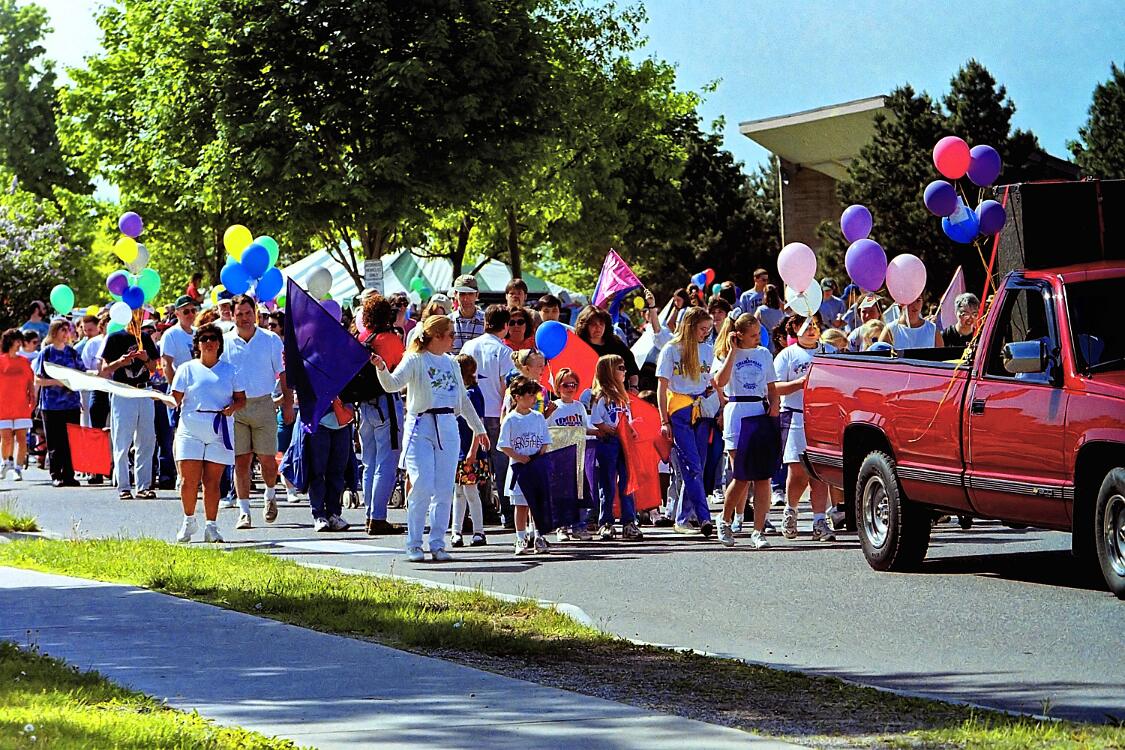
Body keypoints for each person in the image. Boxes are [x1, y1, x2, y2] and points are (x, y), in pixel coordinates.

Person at [371, 315, 488, 563]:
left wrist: (479, 428)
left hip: (448, 425)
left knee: (444, 489)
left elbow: (463, 400)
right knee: (422, 484)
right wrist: (382, 368)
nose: (453, 340)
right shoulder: (415, 359)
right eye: (450, 335)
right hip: (421, 424)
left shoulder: (452, 363)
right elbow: (392, 385)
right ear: (436, 336)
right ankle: (414, 543)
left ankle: (437, 543)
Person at [221, 295, 292, 528]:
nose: (244, 318)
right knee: (241, 462)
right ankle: (244, 512)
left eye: (248, 313)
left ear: (256, 315)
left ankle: (270, 495)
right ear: (232, 315)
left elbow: (283, 374)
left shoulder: (271, 340)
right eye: (239, 314)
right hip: (236, 406)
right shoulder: (225, 341)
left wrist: (288, 404)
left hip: (264, 404)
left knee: (267, 461)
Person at [171, 323, 246, 543]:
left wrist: (232, 408)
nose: (209, 342)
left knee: (212, 481)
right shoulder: (186, 369)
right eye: (204, 339)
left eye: (213, 338)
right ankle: (188, 520)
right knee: (188, 480)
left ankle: (211, 526)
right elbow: (174, 398)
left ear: (219, 343)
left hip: (219, 428)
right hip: (191, 425)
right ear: (197, 344)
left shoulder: (230, 370)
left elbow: (241, 399)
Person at [712, 314, 779, 548]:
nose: (757, 338)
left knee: (762, 477)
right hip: (737, 410)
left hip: (758, 411)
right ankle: (725, 518)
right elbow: (719, 381)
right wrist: (732, 351)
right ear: (738, 335)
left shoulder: (763, 354)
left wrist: (775, 406)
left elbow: (772, 386)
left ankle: (758, 530)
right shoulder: (724, 354)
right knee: (741, 475)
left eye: (758, 333)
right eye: (752, 335)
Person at [774, 315, 834, 541]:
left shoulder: (830, 351)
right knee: (797, 471)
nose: (812, 329)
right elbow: (775, 387)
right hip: (796, 417)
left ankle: (820, 520)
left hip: (823, 418)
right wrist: (798, 385)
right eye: (807, 326)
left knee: (820, 472)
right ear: (796, 328)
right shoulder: (787, 356)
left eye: (815, 325)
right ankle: (791, 510)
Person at [656, 307, 716, 538]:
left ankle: (682, 517)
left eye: (708, 329)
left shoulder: (708, 350)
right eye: (702, 329)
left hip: (701, 408)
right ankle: (704, 518)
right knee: (692, 465)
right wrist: (664, 420)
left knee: (697, 465)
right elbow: (661, 386)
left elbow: (710, 381)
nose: (705, 333)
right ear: (690, 327)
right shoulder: (671, 349)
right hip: (679, 409)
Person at [355, 293, 406, 536]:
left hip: (364, 406)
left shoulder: (362, 337)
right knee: (388, 461)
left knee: (369, 462)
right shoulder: (391, 340)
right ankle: (378, 517)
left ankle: (369, 514)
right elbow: (399, 369)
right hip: (386, 403)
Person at [461, 304, 514, 526]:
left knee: (473, 462)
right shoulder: (503, 351)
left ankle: (474, 511)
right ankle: (507, 513)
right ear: (506, 325)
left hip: (470, 410)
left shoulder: (469, 345)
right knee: (500, 465)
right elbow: (506, 385)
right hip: (495, 411)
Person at [98, 321, 160, 499]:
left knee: (147, 440)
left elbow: (154, 368)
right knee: (122, 440)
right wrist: (121, 361)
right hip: (122, 390)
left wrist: (145, 359)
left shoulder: (145, 337)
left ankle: (143, 486)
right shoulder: (115, 338)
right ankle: (123, 486)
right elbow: (104, 370)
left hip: (144, 390)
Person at [499, 375, 554, 555]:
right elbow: (503, 445)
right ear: (517, 397)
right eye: (529, 395)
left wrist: (540, 454)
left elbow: (545, 439)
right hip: (519, 468)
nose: (533, 399)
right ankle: (520, 539)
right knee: (521, 505)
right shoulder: (511, 419)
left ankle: (538, 536)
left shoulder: (538, 417)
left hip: (536, 466)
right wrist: (519, 457)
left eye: (534, 395)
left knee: (537, 504)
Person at [590, 354, 642, 541]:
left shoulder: (623, 396)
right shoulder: (601, 395)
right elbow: (596, 420)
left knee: (627, 481)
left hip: (624, 442)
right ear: (609, 371)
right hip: (608, 441)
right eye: (620, 368)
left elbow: (626, 418)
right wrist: (607, 429)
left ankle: (629, 521)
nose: (624, 372)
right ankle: (606, 522)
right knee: (607, 483)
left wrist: (630, 430)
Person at [34, 319, 83, 487]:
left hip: (71, 404)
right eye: (62, 330)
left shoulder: (72, 352)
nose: (65, 334)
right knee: (55, 441)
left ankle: (69, 474)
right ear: (54, 332)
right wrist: (56, 382)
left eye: (67, 330)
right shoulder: (46, 353)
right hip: (51, 404)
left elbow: (81, 373)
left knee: (71, 440)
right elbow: (38, 379)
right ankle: (56, 474)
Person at [548, 367, 595, 542]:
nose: (570, 388)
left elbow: (584, 429)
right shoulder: (553, 407)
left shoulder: (579, 407)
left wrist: (599, 432)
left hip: (577, 456)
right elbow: (547, 430)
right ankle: (562, 527)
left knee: (580, 493)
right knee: (561, 494)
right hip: (559, 457)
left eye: (573, 385)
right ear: (558, 387)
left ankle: (579, 526)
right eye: (566, 385)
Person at [451, 354, 487, 547]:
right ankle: (456, 531)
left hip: (468, 451)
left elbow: (478, 423)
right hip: (457, 450)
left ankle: (478, 531)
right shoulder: (459, 392)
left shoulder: (472, 393)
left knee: (471, 492)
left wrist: (473, 451)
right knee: (457, 492)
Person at [575, 305, 639, 391]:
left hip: (618, 395)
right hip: (589, 396)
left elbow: (632, 368)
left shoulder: (616, 344)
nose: (598, 327)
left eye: (601, 323)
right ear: (584, 326)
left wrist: (634, 387)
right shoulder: (578, 347)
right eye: (593, 324)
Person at [0, 328, 36, 481]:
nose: (19, 343)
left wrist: (32, 399)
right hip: (3, 406)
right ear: (9, 342)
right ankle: (6, 462)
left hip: (22, 405)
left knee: (22, 438)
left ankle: (18, 468)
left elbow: (30, 382)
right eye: (16, 340)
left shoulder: (24, 362)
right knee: (6, 438)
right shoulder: (1, 361)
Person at [160, 296, 198, 381]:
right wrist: (175, 389)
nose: (191, 314)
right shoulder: (170, 335)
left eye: (193, 310)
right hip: (182, 384)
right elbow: (166, 365)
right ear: (177, 314)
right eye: (186, 311)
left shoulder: (198, 332)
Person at [448, 274, 484, 354]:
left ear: (477, 295)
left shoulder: (487, 320)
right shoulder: (447, 321)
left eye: (470, 294)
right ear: (455, 295)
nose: (466, 298)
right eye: (462, 294)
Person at [755, 285, 786, 354]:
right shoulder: (780, 310)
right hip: (778, 341)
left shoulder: (761, 310)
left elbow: (754, 322)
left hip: (765, 340)